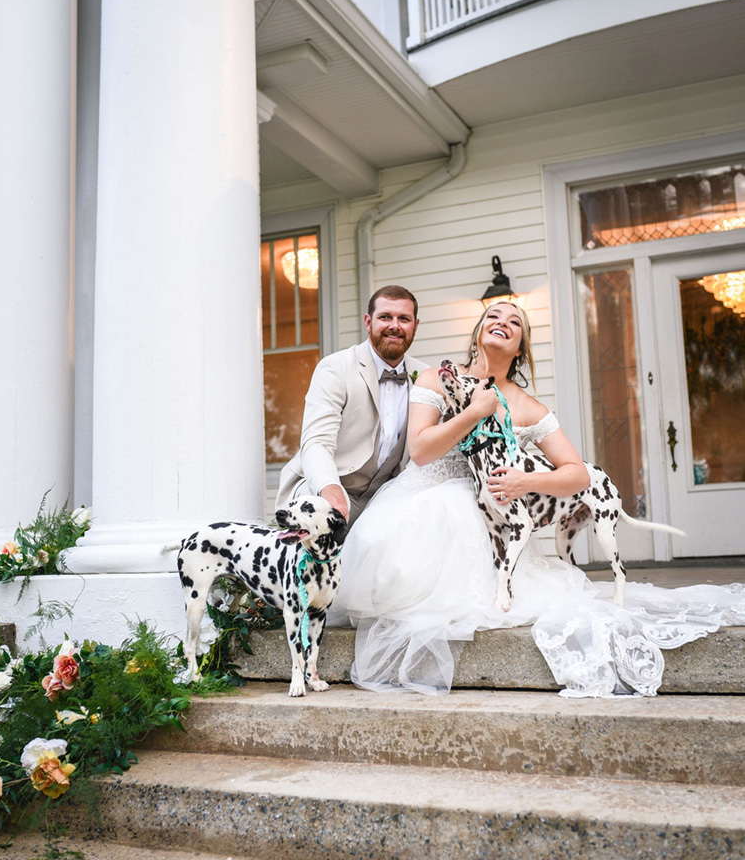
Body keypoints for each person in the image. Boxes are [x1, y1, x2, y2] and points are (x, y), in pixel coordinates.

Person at [328, 300, 745, 697]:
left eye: (515, 322)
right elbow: (420, 451)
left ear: (521, 347)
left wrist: (526, 482)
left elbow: (577, 473)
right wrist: (475, 411)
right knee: (421, 528)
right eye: (494, 314)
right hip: (426, 492)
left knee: (466, 520)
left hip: (493, 504)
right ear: (477, 332)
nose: (503, 321)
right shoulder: (439, 378)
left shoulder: (528, 406)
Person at [276, 285, 429, 526]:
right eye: (385, 317)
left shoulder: (426, 377)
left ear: (415, 326)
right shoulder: (335, 368)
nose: (394, 325)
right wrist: (330, 489)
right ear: (368, 322)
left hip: (386, 500)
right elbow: (316, 442)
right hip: (327, 488)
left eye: (404, 319)